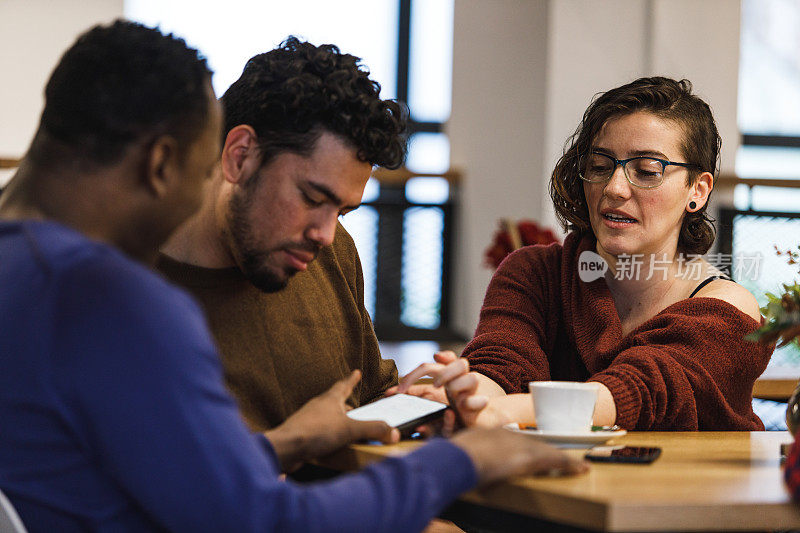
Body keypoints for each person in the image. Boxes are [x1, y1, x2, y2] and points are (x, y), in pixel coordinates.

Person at [0, 20, 587, 532]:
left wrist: (291, 441)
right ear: (170, 163)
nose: (196, 197)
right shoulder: (116, 297)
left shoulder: (27, 270)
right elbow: (261, 521)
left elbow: (147, 475)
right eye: (195, 172)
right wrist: (465, 461)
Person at [396, 77, 773, 431]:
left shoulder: (728, 308)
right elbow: (501, 365)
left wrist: (504, 411)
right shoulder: (534, 272)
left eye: (646, 170)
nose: (614, 188)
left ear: (699, 190)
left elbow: (641, 390)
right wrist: (468, 395)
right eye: (600, 166)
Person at [158, 37, 399, 430]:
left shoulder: (334, 249)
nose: (325, 233)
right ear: (241, 156)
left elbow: (372, 395)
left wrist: (426, 400)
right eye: (311, 197)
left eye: (342, 211)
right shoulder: (127, 280)